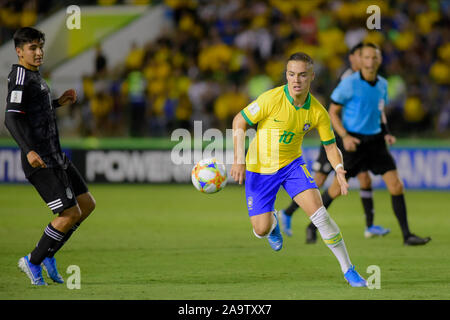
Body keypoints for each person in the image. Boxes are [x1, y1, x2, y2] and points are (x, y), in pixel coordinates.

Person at [230, 52, 367, 287]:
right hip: (259, 168)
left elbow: (331, 147)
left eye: (302, 75)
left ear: (311, 77)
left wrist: (339, 168)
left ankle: (349, 270)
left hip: (292, 166)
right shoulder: (271, 99)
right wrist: (238, 160)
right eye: (292, 74)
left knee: (320, 215)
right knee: (261, 230)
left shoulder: (317, 112)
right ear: (286, 75)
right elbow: (239, 121)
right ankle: (272, 224)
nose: (296, 80)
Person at [304, 43, 430, 246]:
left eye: (375, 57)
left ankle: (407, 236)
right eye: (367, 57)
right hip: (354, 143)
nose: (371, 61)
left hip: (376, 142)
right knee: (335, 190)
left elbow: (379, 111)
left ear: (379, 61)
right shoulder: (349, 83)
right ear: (360, 60)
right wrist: (344, 136)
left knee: (397, 185)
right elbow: (332, 112)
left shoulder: (383, 84)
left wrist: (386, 133)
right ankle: (311, 226)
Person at [4, 27, 96, 286]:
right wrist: (29, 150)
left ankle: (47, 254)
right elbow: (11, 117)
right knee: (69, 213)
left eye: (40, 46)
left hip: (56, 155)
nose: (39, 52)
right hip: (40, 159)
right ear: (19, 51)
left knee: (86, 205)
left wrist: (58, 102)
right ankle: (32, 260)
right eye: (32, 48)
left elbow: (34, 110)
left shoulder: (35, 76)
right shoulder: (20, 75)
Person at [280, 43, 390, 243]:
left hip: (355, 139)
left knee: (364, 180)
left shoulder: (368, 80)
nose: (366, 61)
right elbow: (335, 108)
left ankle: (370, 225)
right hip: (335, 137)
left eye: (369, 57)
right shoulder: (349, 79)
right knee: (319, 181)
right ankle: (291, 214)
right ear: (353, 58)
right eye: (361, 56)